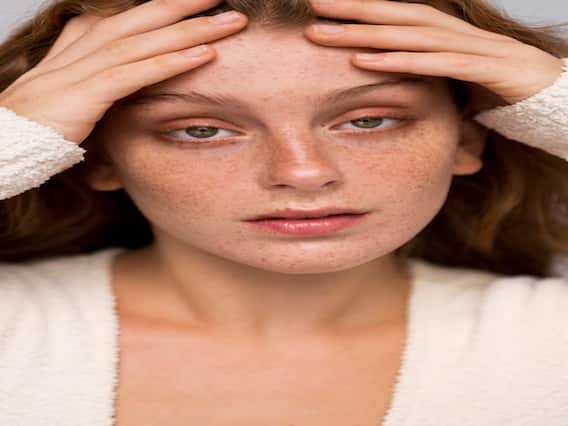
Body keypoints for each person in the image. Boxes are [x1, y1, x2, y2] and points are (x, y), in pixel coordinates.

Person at [0, 0, 567, 425]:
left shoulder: (547, 341)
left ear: (466, 137)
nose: (302, 172)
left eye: (369, 120)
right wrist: (13, 128)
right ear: (91, 152)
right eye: (201, 130)